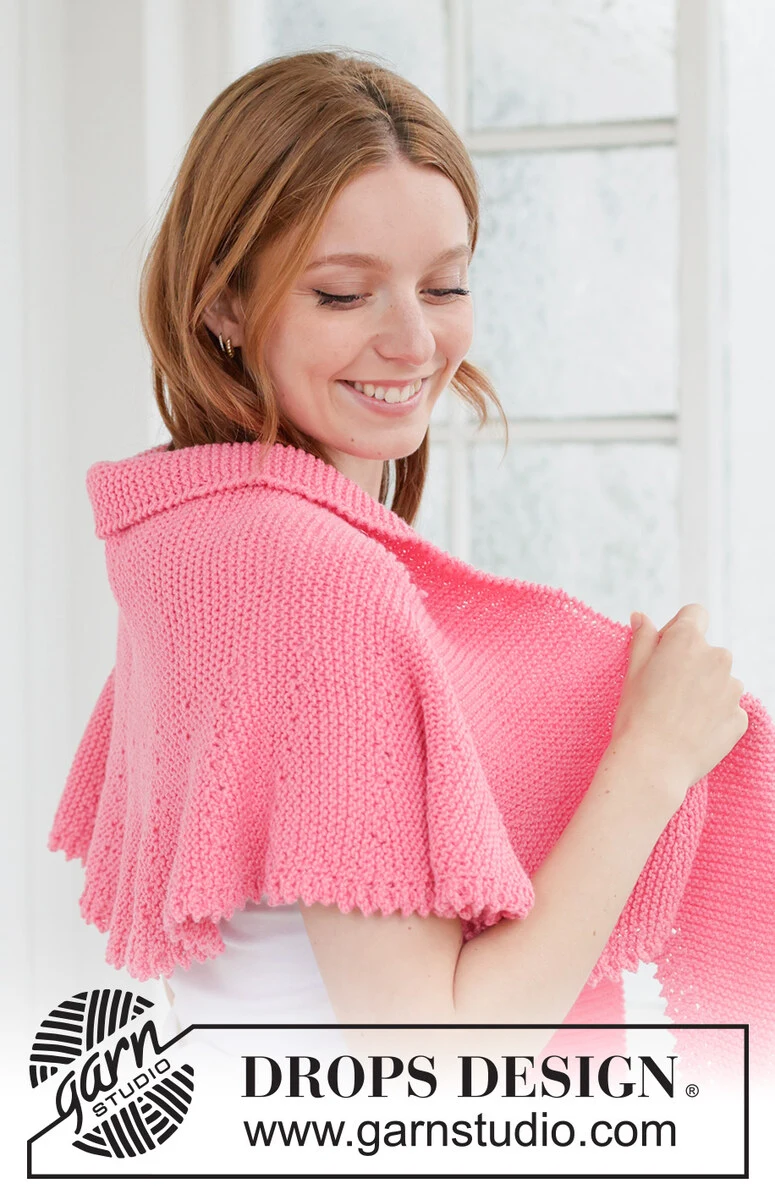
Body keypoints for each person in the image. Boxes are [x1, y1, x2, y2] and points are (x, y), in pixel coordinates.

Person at [85, 50, 751, 1070]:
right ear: (222, 303)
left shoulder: (196, 540)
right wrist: (653, 757)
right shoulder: (312, 576)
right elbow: (430, 1058)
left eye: (444, 285)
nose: (412, 342)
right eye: (343, 294)